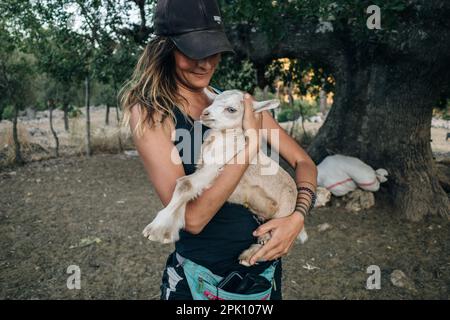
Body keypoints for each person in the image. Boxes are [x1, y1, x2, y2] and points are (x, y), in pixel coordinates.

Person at [120, 0, 317, 300]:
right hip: (202, 284)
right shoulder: (152, 114)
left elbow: (303, 161)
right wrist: (249, 147)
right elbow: (193, 220)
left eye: (212, 50)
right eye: (192, 51)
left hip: (261, 279)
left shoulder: (232, 103)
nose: (206, 63)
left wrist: (297, 217)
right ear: (165, 48)